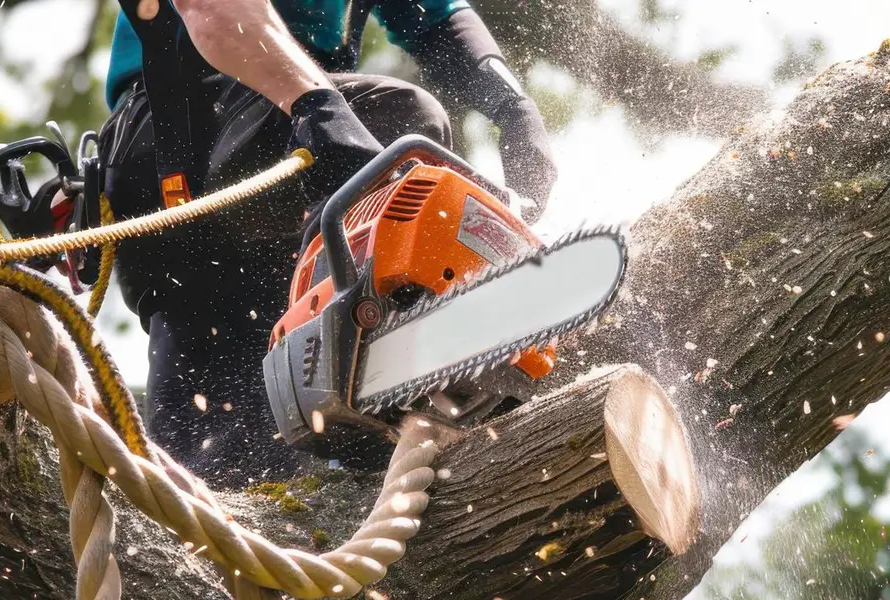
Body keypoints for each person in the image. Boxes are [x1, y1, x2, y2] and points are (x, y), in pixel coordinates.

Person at [97, 0, 558, 488]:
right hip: (175, 137)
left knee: (239, 472)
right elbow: (211, 9)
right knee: (399, 116)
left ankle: (369, 375)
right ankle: (369, 332)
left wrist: (515, 108)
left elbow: (438, 20)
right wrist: (318, 107)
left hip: (279, 142)